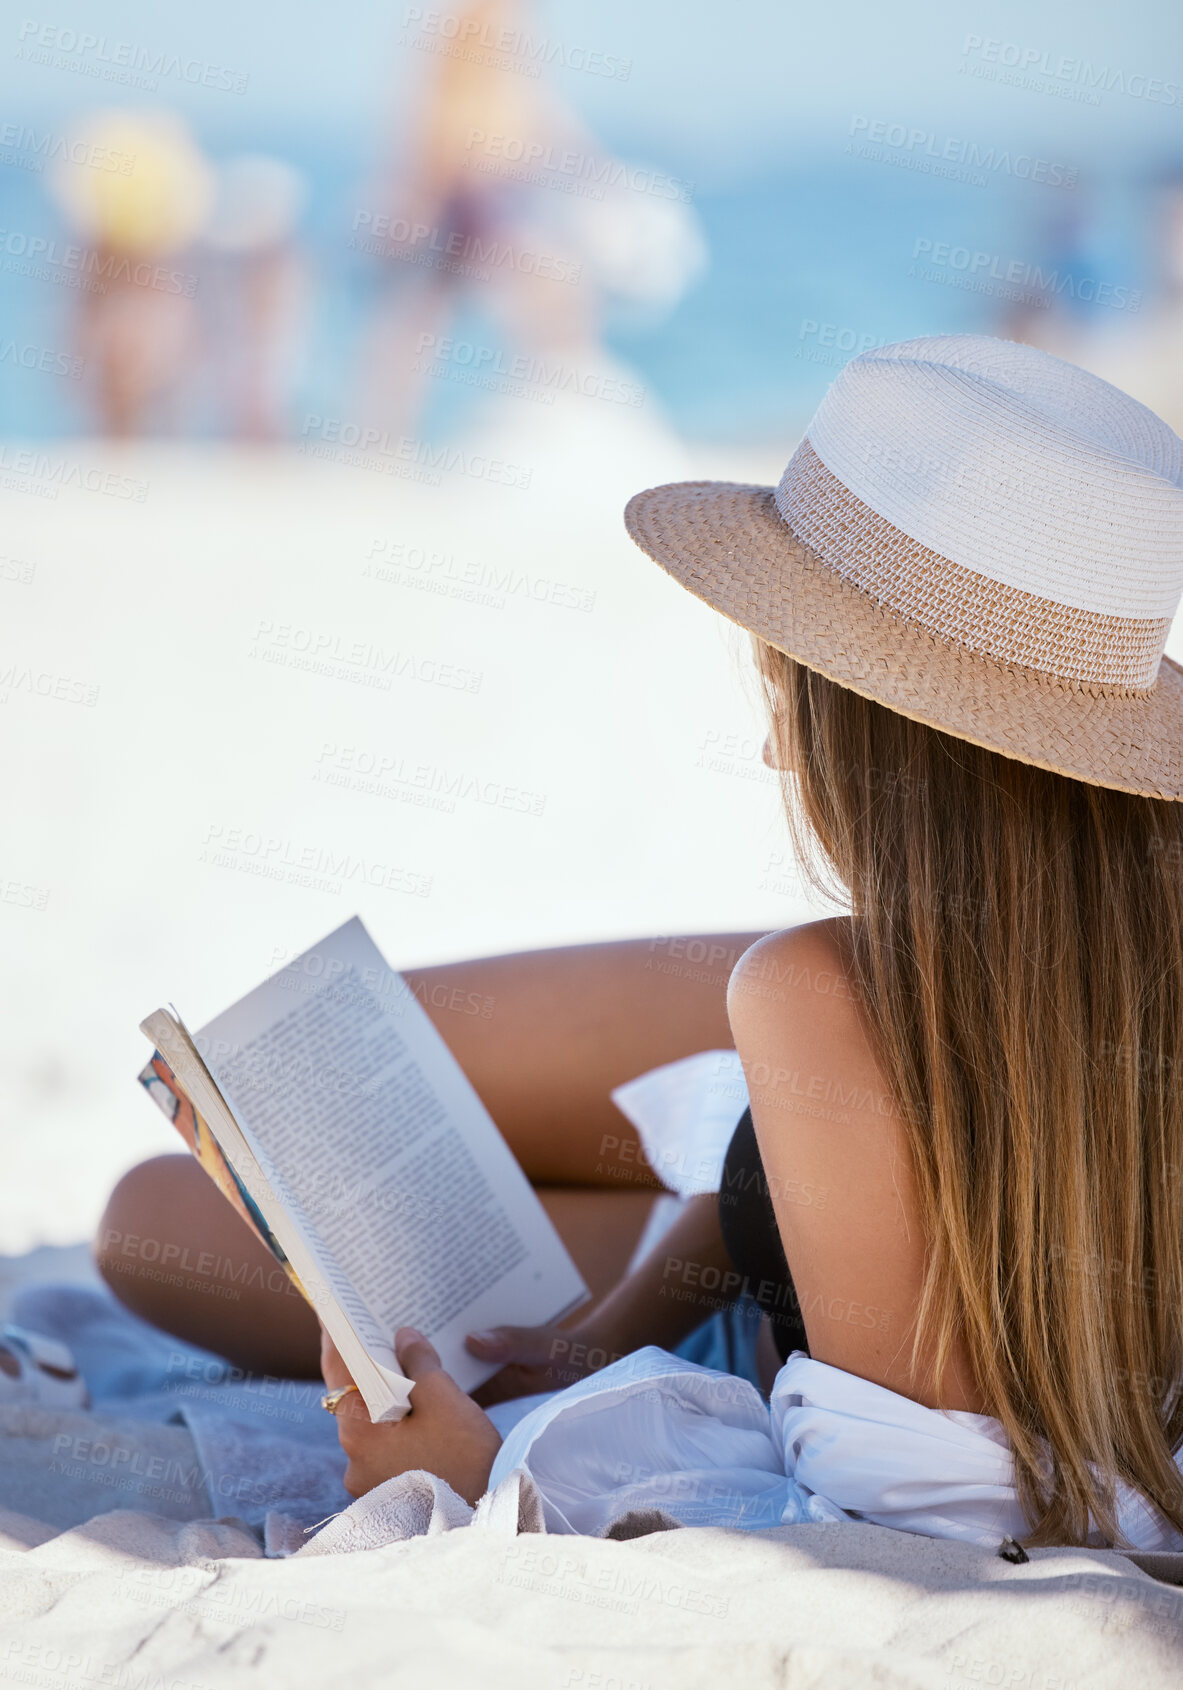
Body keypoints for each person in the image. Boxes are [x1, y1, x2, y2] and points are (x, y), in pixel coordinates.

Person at [97, 334, 1183, 1549]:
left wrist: (491, 1474)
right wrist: (608, 1327)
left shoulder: (822, 991)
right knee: (265, 1114)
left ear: (875, 738)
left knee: (179, 1223)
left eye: (792, 682)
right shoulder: (958, 980)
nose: (778, 744)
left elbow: (918, 1531)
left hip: (845, 1247)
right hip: (841, 1174)